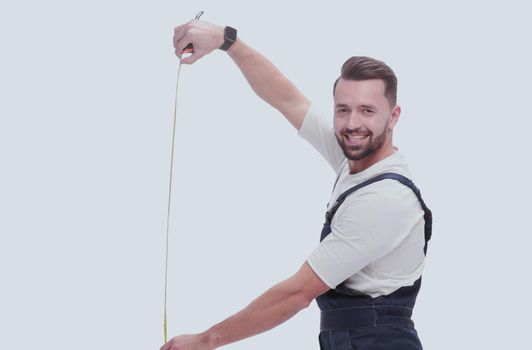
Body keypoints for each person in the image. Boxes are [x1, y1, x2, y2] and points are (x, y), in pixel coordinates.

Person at [163, 19, 432, 350]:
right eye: (343, 110)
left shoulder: (384, 199)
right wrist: (227, 41)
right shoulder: (357, 158)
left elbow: (297, 294)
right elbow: (287, 99)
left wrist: (205, 341)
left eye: (367, 111)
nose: (352, 123)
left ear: (393, 117)